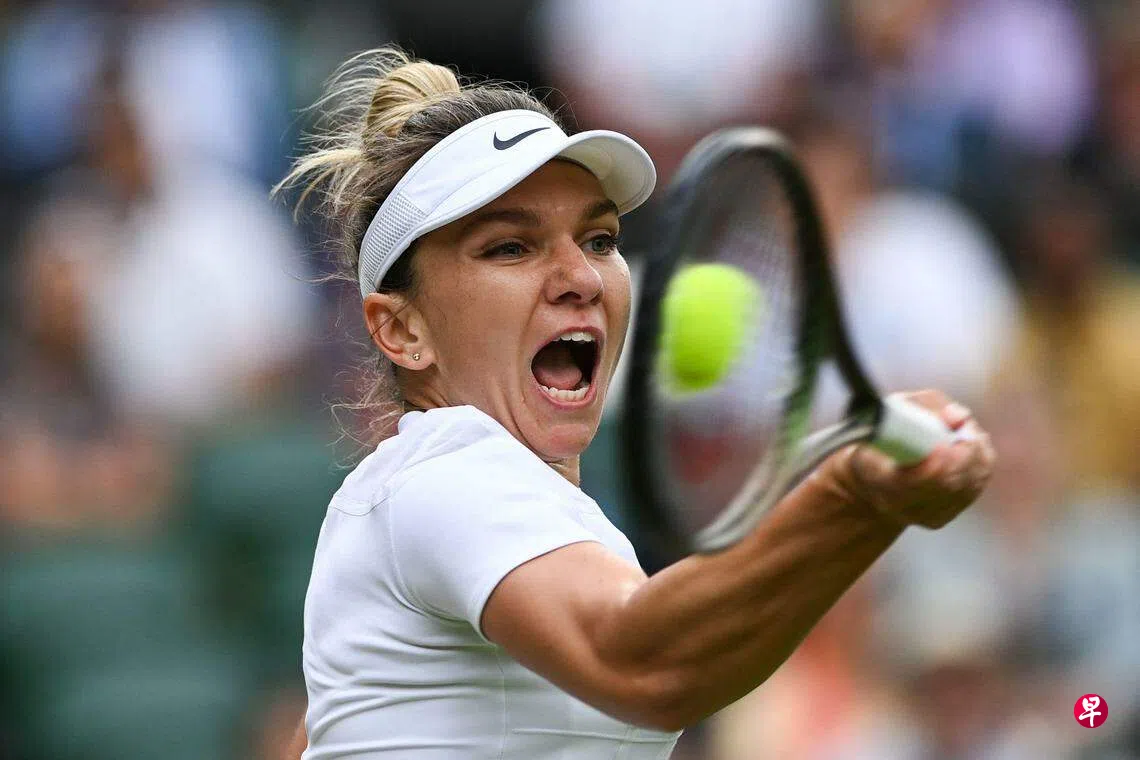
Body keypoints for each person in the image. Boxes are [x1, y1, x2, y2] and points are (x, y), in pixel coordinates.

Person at [278, 48, 994, 760]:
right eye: (510, 248)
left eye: (600, 239)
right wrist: (856, 498)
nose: (582, 277)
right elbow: (639, 664)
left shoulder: (530, 524)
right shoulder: (444, 475)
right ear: (402, 330)